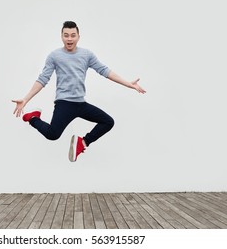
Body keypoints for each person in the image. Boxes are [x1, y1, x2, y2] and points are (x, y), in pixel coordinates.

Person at [12, 21, 146, 162]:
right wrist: (26, 99)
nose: (69, 39)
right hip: (64, 104)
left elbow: (105, 71)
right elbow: (43, 79)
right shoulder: (54, 56)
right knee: (52, 135)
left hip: (81, 104)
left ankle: (82, 143)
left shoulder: (86, 55)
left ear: (78, 37)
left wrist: (129, 84)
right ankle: (34, 118)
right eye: (66, 35)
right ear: (61, 37)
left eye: (73, 35)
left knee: (108, 122)